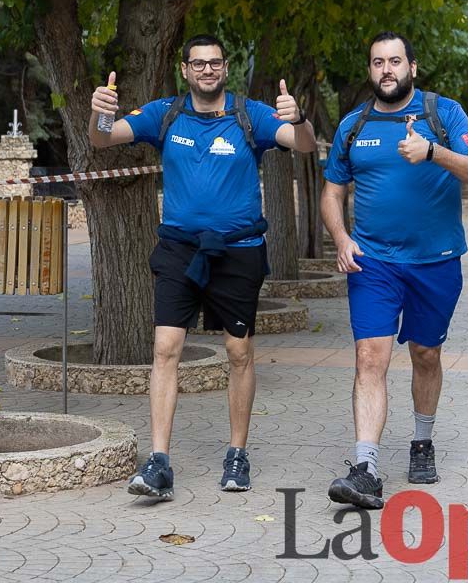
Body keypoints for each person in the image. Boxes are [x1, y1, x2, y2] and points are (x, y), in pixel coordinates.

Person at [89, 35, 317, 500]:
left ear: (226, 68)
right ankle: (159, 463)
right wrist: (102, 110)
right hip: (178, 249)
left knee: (238, 352)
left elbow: (304, 145)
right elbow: (101, 138)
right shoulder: (164, 114)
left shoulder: (249, 114)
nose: (207, 70)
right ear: (185, 69)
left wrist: (301, 118)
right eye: (199, 64)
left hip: (238, 250)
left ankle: (237, 455)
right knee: (165, 348)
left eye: (215, 63)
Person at [320, 31, 468, 510]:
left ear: (412, 68)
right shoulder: (353, 126)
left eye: (395, 61)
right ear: (370, 70)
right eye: (377, 63)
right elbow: (333, 191)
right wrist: (341, 238)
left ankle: (421, 442)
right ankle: (366, 467)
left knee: (425, 354)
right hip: (372, 262)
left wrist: (434, 151)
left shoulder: (445, 114)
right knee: (369, 358)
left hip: (435, 262)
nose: (386, 70)